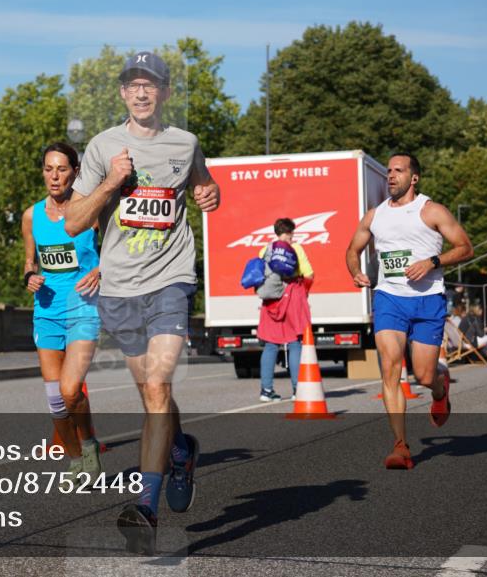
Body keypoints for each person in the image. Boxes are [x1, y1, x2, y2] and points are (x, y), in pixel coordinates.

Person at [65, 51, 220, 555]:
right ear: (122, 94)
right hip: (119, 288)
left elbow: (203, 185)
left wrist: (209, 194)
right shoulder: (102, 147)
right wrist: (112, 181)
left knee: (157, 386)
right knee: (150, 394)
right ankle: (180, 450)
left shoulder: (185, 143)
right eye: (132, 84)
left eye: (150, 83)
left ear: (165, 91)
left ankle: (144, 508)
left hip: (171, 280)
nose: (141, 91)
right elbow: (72, 222)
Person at [345, 152, 473, 469]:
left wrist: (432, 262)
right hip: (389, 298)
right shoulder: (374, 216)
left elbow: (465, 248)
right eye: (388, 171)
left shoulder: (431, 211)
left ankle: (440, 389)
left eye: (398, 171)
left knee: (425, 374)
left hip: (428, 300)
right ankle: (400, 445)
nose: (390, 175)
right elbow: (352, 249)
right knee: (390, 369)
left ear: (413, 178)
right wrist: (355, 271)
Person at [22, 142, 103, 490]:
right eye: (48, 169)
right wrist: (29, 277)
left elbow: (118, 248)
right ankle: (75, 458)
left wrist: (102, 269)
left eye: (62, 169)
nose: (54, 176)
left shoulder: (92, 212)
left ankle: (89, 446)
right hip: (46, 311)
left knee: (71, 391)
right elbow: (30, 261)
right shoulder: (31, 216)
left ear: (75, 172)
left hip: (83, 308)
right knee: (56, 401)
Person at [256, 217, 315, 402]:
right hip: (293, 296)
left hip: (271, 300)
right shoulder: (296, 249)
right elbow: (309, 274)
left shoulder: (265, 249)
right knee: (295, 342)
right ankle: (298, 389)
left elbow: (259, 274)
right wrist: (304, 292)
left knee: (270, 344)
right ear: (290, 233)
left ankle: (266, 390)